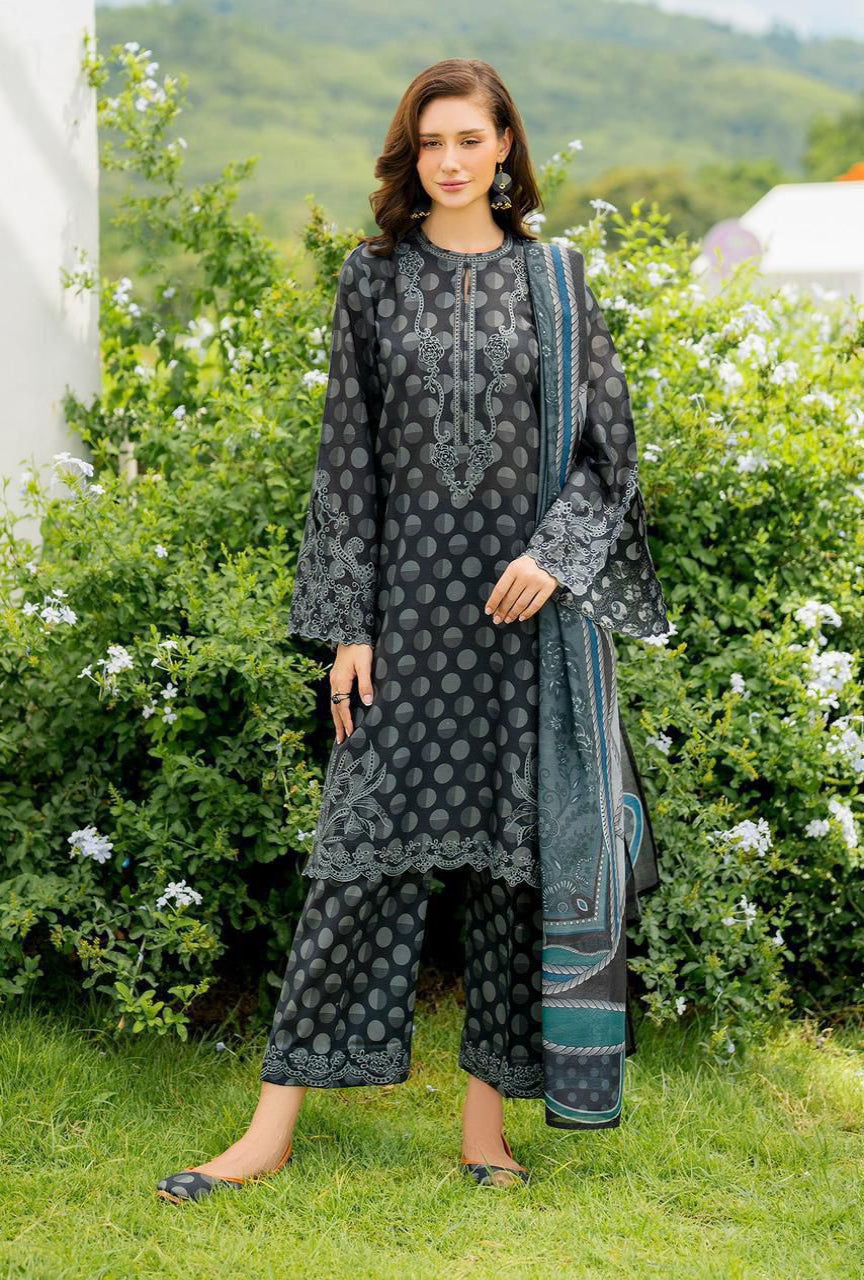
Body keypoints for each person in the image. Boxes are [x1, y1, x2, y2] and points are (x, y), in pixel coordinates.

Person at [156, 56, 668, 1205]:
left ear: (504, 151)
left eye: (471, 139)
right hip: (407, 624)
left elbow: (611, 456)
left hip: (520, 623)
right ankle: (268, 1129)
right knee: (351, 864)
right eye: (431, 140)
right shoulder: (373, 280)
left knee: (509, 869)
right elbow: (347, 461)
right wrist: (349, 626)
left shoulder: (557, 281)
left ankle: (485, 1135)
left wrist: (552, 555)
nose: (449, 158)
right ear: (411, 151)